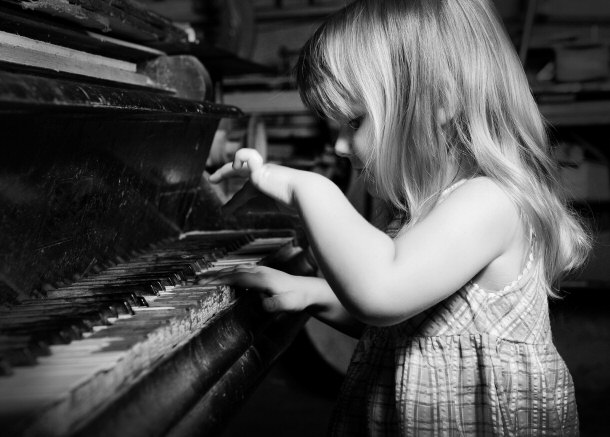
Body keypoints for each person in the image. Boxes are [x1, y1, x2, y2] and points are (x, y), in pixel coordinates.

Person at [205, 0, 591, 434]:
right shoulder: (424, 210)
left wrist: (308, 187)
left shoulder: (491, 202)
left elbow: (382, 293)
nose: (340, 147)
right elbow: (408, 323)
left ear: (440, 102)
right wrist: (311, 292)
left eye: (354, 121)